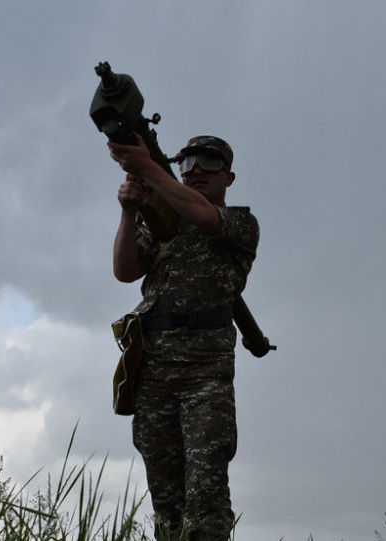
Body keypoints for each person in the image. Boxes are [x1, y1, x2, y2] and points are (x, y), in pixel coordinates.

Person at [109, 134, 259, 540]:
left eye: (208, 163)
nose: (195, 170)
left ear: (229, 177)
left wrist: (148, 170)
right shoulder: (161, 223)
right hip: (153, 369)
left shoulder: (240, 224)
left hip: (205, 375)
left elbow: (205, 217)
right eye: (187, 162)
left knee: (205, 490)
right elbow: (124, 270)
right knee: (166, 496)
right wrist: (128, 212)